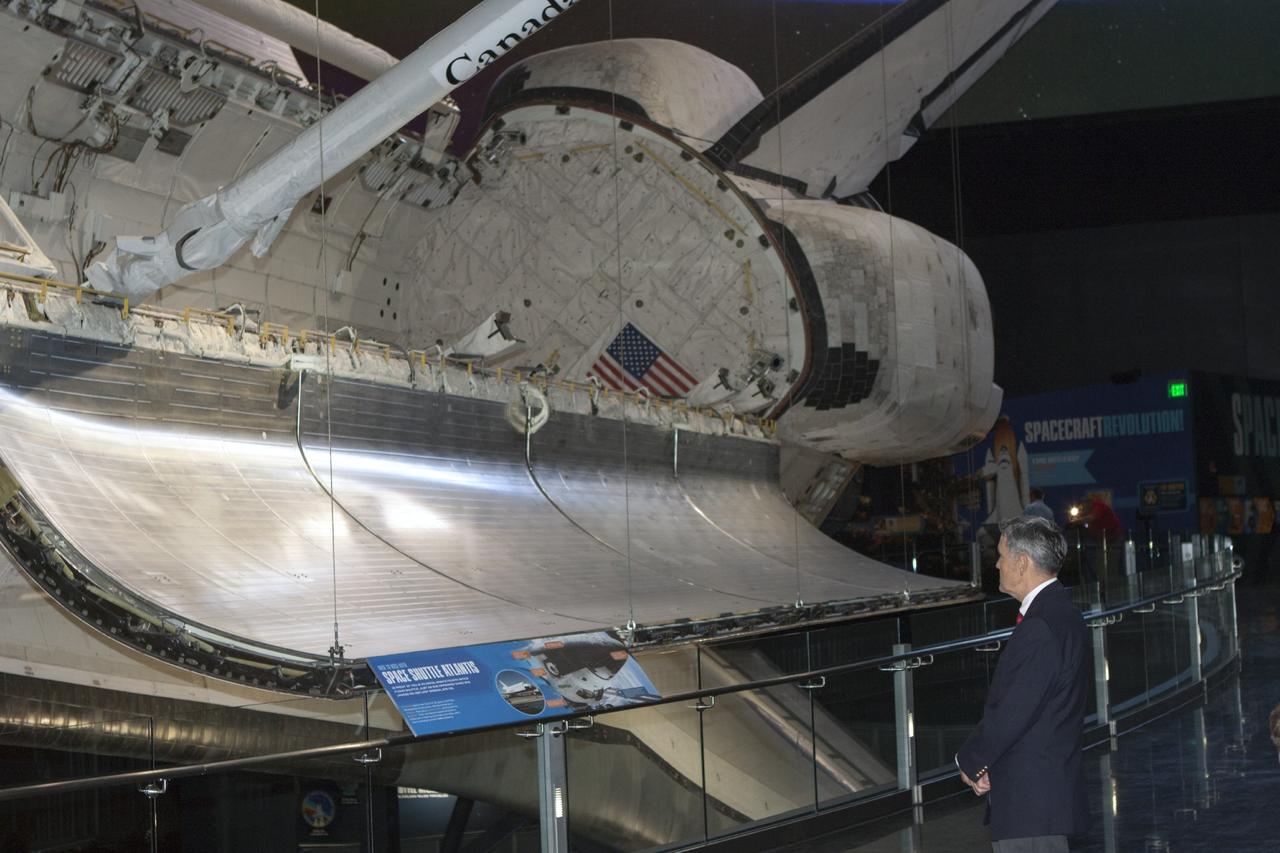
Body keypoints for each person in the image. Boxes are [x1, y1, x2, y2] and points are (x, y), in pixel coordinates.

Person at [957, 515, 1089, 851]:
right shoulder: (1063, 614)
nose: (997, 564)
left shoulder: (1040, 626)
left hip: (1031, 801)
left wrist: (971, 760)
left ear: (1022, 562)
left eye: (1001, 556)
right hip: (1043, 796)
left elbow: (1013, 711)